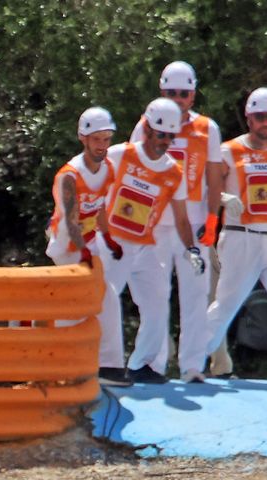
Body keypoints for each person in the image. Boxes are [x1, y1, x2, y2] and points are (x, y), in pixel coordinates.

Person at [99, 97, 203, 385]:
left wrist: (192, 249)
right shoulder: (120, 155)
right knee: (105, 301)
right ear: (146, 129)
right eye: (160, 135)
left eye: (171, 136)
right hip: (113, 242)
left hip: (144, 245)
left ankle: (141, 364)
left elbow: (182, 218)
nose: (165, 142)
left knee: (158, 299)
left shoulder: (173, 172)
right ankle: (104, 365)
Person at [203, 87, 267, 373]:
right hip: (241, 237)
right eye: (261, 117)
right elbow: (207, 189)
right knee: (225, 305)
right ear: (249, 118)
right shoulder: (229, 150)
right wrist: (223, 199)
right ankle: (193, 359)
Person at [131, 61, 221, 381]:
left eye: (183, 93)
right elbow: (132, 170)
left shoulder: (207, 128)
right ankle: (153, 363)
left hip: (192, 223)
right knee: (154, 295)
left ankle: (192, 366)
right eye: (171, 92)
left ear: (193, 96)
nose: (177, 98)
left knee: (195, 295)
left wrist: (212, 219)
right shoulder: (146, 124)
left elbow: (214, 176)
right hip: (154, 224)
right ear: (161, 92)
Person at [46, 106, 127, 386]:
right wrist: (82, 252)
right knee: (77, 304)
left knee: (107, 299)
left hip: (90, 242)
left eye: (106, 139)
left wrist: (109, 237)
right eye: (96, 139)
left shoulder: (108, 170)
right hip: (69, 244)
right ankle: (61, 368)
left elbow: (100, 208)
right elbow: (70, 221)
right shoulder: (70, 176)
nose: (102, 146)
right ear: (83, 138)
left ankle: (108, 367)